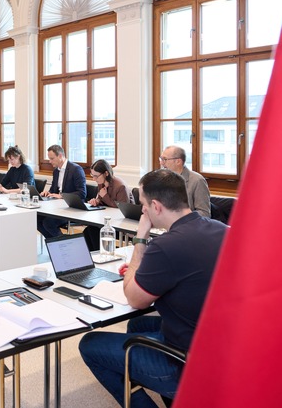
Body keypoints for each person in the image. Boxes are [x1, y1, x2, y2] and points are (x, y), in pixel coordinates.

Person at [79, 169, 227, 407]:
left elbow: (135, 299)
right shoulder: (223, 230)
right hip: (219, 345)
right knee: (137, 325)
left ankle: (167, 388)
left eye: (144, 205)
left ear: (156, 206)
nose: (143, 211)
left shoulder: (166, 245)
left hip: (185, 359)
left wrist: (140, 238)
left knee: (89, 344)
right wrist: (146, 271)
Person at [36, 144, 86, 238]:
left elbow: (82, 193)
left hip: (72, 208)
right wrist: (48, 193)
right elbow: (53, 190)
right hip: (58, 207)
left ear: (60, 156)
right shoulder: (56, 171)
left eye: (52, 158)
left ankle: (63, 243)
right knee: (37, 219)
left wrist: (62, 195)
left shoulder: (76, 169)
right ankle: (53, 243)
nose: (50, 161)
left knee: (48, 222)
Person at [83, 159, 135, 250]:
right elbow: (101, 199)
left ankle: (102, 253)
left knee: (93, 231)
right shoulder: (101, 182)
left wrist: (105, 196)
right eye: (92, 175)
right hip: (108, 220)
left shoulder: (120, 186)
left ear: (106, 173)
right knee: (87, 231)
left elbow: (122, 209)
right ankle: (93, 255)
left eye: (96, 176)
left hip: (122, 224)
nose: (94, 179)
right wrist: (96, 201)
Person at [159, 145, 211, 217]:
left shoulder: (197, 180)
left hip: (185, 222)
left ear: (178, 161)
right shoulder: (162, 178)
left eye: (165, 159)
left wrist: (181, 216)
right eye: (161, 159)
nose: (161, 163)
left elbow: (204, 214)